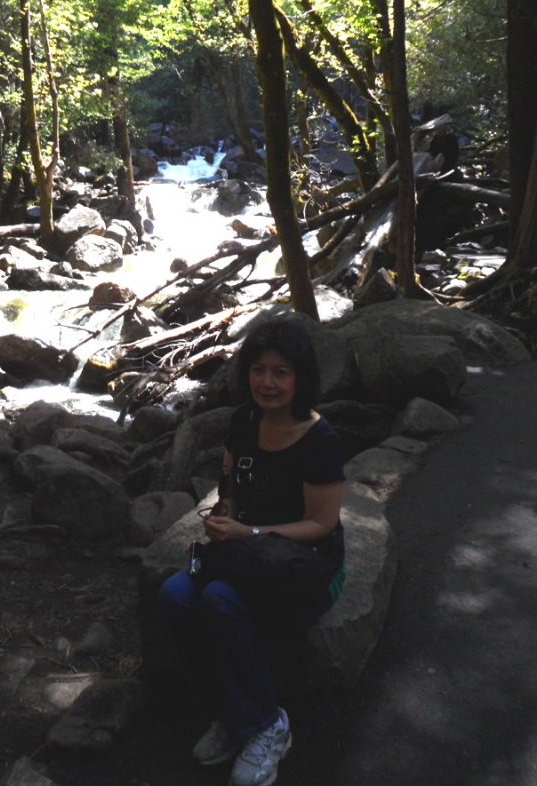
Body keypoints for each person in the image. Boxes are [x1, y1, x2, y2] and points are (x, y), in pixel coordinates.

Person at [158, 315, 345, 786]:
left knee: (221, 598)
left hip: (309, 566)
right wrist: (223, 519)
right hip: (248, 553)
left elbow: (322, 524)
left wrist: (251, 533)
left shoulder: (319, 439)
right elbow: (230, 484)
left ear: (300, 379)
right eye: (259, 370)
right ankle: (233, 712)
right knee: (176, 596)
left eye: (281, 372)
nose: (268, 382)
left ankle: (266, 724)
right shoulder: (245, 420)